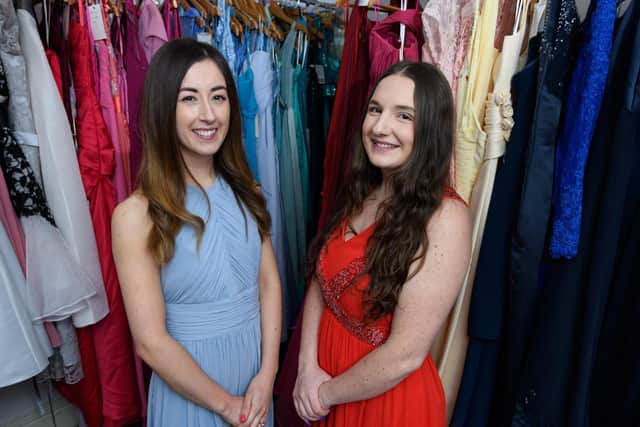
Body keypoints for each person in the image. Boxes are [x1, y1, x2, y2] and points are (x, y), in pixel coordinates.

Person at [112, 39, 281, 427]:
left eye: (218, 97)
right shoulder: (135, 215)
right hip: (192, 399)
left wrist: (268, 373)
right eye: (189, 98)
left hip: (255, 388)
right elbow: (150, 343)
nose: (208, 115)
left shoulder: (246, 190)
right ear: (163, 108)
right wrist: (226, 406)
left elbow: (268, 281)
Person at [292, 61, 471, 426]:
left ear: (430, 130)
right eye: (375, 109)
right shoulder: (365, 189)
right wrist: (306, 367)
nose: (379, 127)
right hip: (326, 385)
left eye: (403, 116)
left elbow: (405, 355)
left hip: (384, 404)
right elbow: (320, 283)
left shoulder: (445, 219)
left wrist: (324, 394)